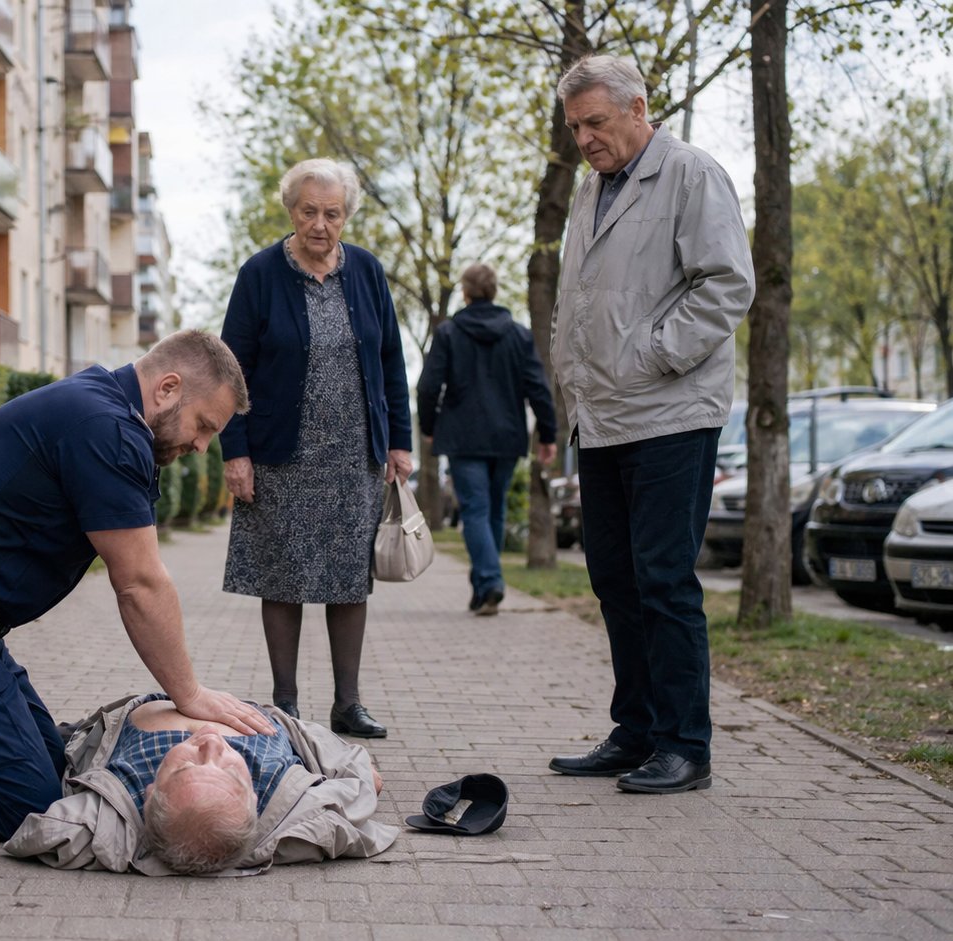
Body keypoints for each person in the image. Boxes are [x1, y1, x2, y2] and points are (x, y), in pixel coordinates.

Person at [0, 330, 275, 842]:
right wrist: (188, 693)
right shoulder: (107, 427)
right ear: (168, 388)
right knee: (24, 798)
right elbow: (141, 584)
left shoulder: (101, 410)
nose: (201, 446)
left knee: (53, 763)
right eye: (204, 425)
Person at [544, 55, 755, 794]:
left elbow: (728, 283)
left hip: (667, 411)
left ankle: (684, 744)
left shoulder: (692, 175)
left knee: (663, 579)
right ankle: (634, 729)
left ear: (640, 107)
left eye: (597, 123)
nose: (586, 140)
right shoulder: (591, 191)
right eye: (575, 128)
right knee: (615, 579)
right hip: (601, 418)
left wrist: (653, 355)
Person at [219, 158, 412, 738]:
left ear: (346, 215)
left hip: (356, 454)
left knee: (350, 576)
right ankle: (285, 703)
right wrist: (236, 450)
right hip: (281, 452)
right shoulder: (260, 274)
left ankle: (347, 703)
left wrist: (399, 442)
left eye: (332, 213)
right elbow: (230, 369)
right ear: (291, 211)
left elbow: (391, 362)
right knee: (283, 575)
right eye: (310, 211)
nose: (321, 224)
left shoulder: (368, 272)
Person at [3, 693, 394, 875]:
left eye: (185, 768)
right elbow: (363, 785)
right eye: (228, 770)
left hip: (143, 706)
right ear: (254, 798)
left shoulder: (123, 805)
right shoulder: (285, 795)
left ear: (152, 794)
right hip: (262, 718)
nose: (210, 742)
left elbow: (45, 832)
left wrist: (145, 839)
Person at [416, 263, 558, 616]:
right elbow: (538, 389)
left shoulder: (449, 333)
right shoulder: (519, 335)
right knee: (493, 510)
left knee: (476, 510)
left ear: (465, 293)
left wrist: (429, 426)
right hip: (507, 435)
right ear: (494, 292)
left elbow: (428, 386)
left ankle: (490, 581)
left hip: (463, 437)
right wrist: (548, 433)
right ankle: (484, 590)